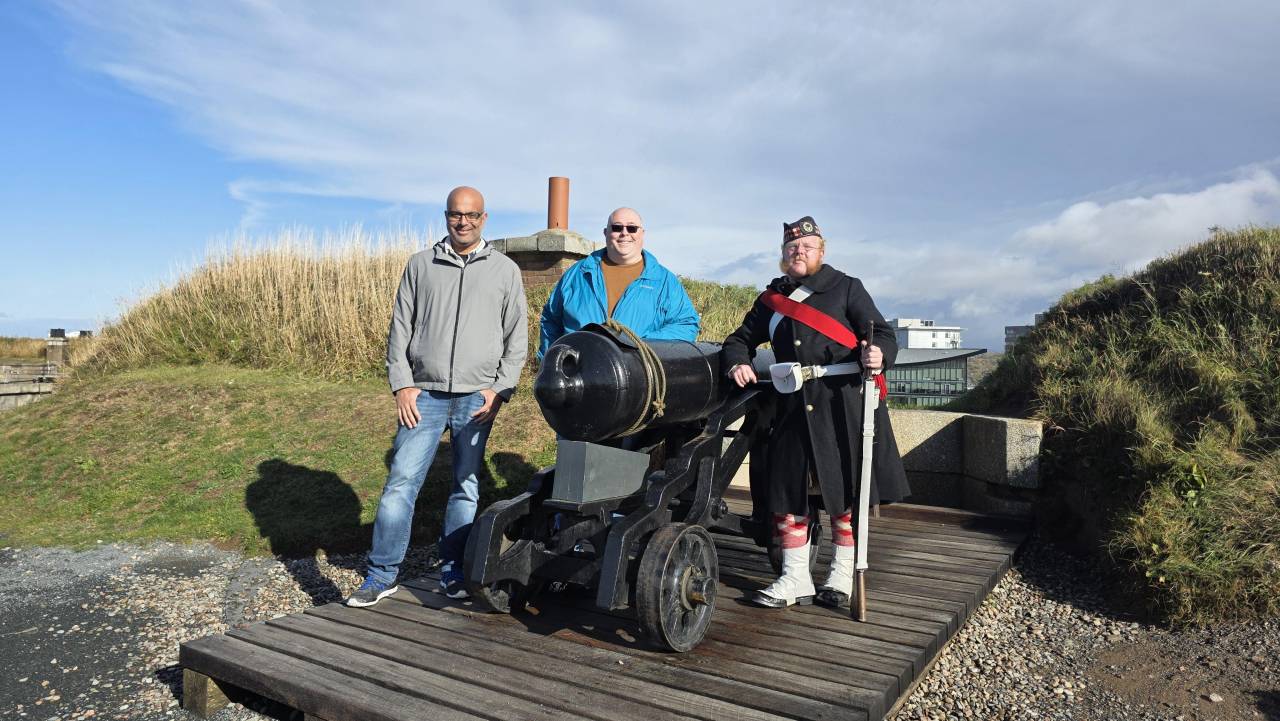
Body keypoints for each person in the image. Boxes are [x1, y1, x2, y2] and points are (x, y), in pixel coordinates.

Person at [346, 186, 527, 606]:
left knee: (465, 487)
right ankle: (381, 574)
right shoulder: (420, 264)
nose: (462, 222)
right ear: (446, 216)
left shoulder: (505, 270)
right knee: (400, 483)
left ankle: (454, 571)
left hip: (476, 398)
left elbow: (516, 337)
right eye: (454, 214)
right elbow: (400, 330)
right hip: (423, 394)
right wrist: (402, 384)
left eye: (471, 215)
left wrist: (499, 389)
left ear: (485, 219)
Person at [721, 215, 909, 609]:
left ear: (821, 251)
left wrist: (879, 354)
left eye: (806, 247)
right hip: (790, 406)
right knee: (789, 492)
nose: (798, 252)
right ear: (783, 254)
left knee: (842, 494)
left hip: (842, 403)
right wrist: (738, 361)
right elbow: (740, 338)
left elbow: (884, 334)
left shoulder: (847, 288)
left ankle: (841, 573)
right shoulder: (771, 299)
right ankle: (795, 578)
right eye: (791, 248)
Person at [538, 207, 700, 358]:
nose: (624, 233)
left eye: (632, 228)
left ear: (642, 234)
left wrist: (641, 345)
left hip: (637, 377)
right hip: (578, 376)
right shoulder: (577, 275)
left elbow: (686, 324)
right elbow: (550, 320)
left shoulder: (664, 281)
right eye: (617, 227)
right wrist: (552, 361)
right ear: (606, 232)